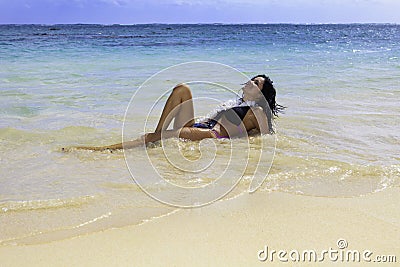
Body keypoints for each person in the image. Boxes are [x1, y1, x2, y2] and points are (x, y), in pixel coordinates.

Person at [69, 74, 284, 152]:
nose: (250, 82)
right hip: (200, 126)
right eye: (252, 78)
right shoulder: (236, 102)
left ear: (261, 95)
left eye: (256, 83)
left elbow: (266, 139)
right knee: (182, 89)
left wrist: (237, 141)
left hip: (211, 135)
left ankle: (99, 150)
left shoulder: (257, 111)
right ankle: (157, 136)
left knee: (152, 139)